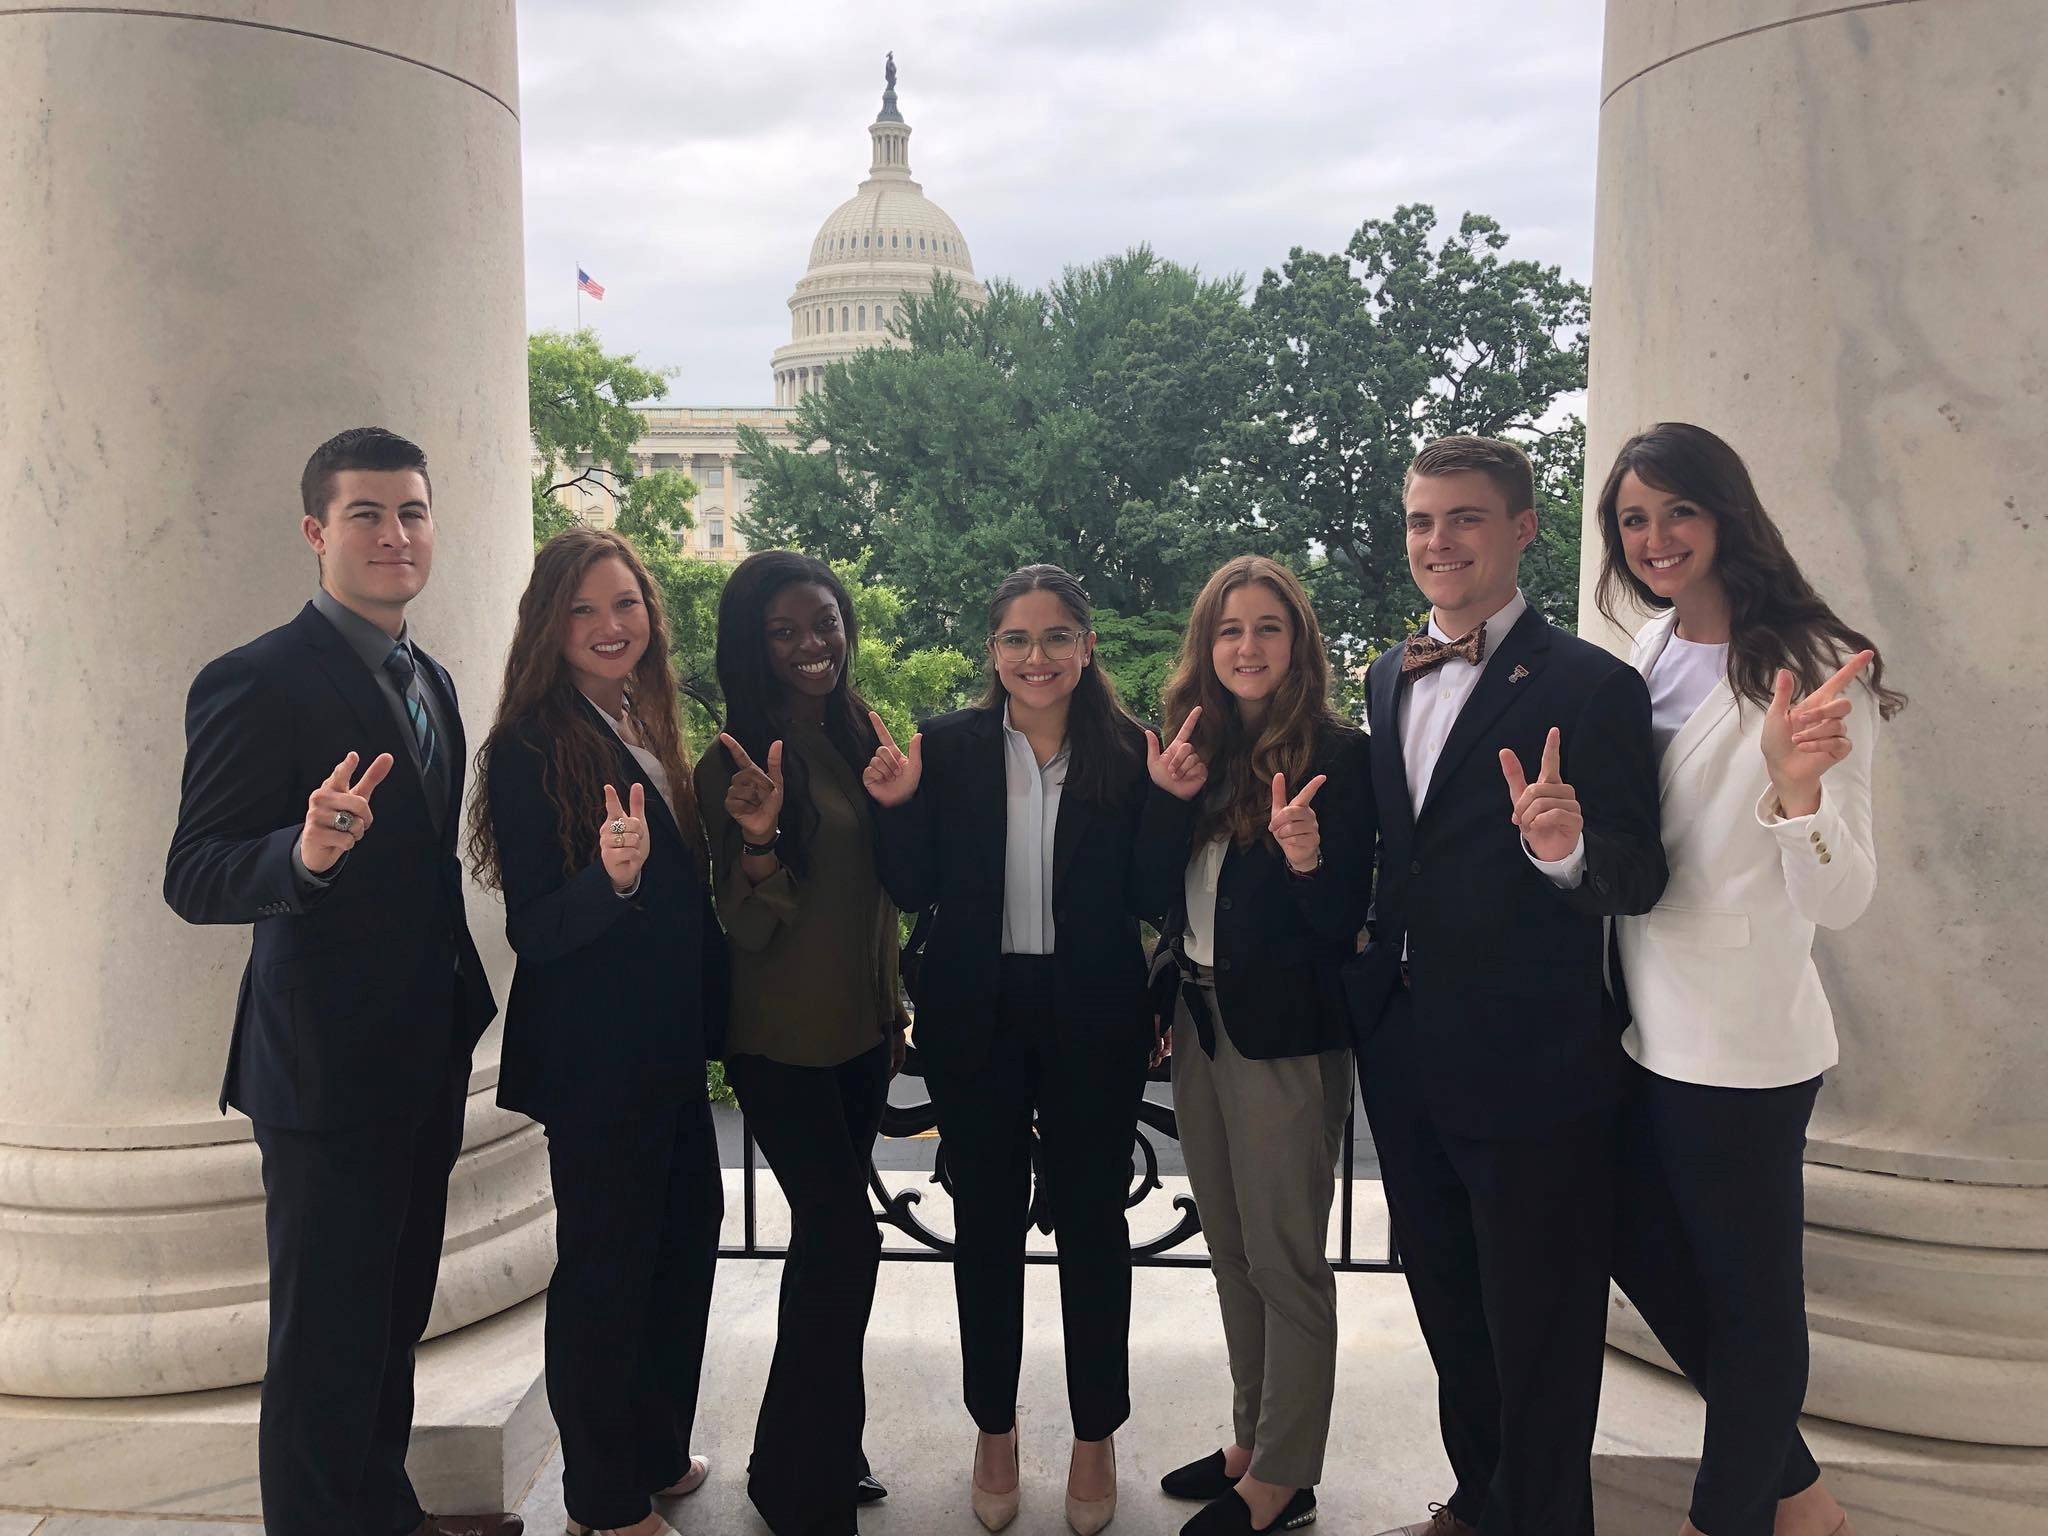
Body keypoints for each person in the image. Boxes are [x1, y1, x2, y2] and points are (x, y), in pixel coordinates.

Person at [163, 428, 519, 1536]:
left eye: (411, 512)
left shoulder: (437, 681)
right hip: (321, 1072)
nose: (393, 534)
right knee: (322, 1346)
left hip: (422, 1054)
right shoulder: (254, 680)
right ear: (317, 533)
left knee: (389, 1320)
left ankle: (385, 1512)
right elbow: (195, 874)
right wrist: (303, 856)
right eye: (366, 514)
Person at [1345, 435, 1668, 1536]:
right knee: (1450, 1311)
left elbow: (1639, 871)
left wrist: (1563, 851)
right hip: (1405, 1050)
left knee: (1539, 1328)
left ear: (1523, 528)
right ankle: (1477, 1505)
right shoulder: (1388, 674)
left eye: (1464, 518)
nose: (1437, 541)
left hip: (1534, 1063)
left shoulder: (1591, 684)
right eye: (1421, 520)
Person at [1596, 423, 1903, 1536]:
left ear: (1725, 514)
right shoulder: (1638, 652)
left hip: (1740, 1040)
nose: (1654, 538)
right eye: (1632, 518)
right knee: (1639, 1251)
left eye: (1676, 510)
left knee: (1751, 1304)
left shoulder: (1816, 666)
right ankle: (1799, 1492)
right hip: (1631, 1022)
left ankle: (1726, 1515)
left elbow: (1841, 898)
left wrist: (1796, 799)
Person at [862, 563, 1160, 1536]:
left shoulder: (1127, 751)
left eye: (1057, 637)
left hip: (1091, 1017)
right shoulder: (944, 750)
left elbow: (1153, 892)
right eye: (1016, 640)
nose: (1036, 657)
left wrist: (1173, 801)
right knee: (982, 1228)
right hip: (974, 1015)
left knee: (1093, 1230)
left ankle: (1093, 1434)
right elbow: (910, 888)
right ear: (991, 652)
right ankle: (993, 1428)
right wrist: (896, 805)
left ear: (1087, 648)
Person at [468, 529, 726, 1536]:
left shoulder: (643, 719)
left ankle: (654, 1452)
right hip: (595, 1060)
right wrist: (610, 881)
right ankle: (600, 1501)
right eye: (582, 610)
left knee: (682, 1245)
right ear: (550, 626)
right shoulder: (532, 742)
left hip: (663, 1047)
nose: (609, 626)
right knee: (607, 1274)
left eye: (623, 604)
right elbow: (534, 925)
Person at [1138, 556, 1374, 1536]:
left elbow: (1339, 924)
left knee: (1283, 1260)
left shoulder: (1340, 755)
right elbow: (1154, 896)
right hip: (1196, 1023)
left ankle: (1282, 1478)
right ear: (1205, 644)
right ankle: (1250, 1440)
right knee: (1229, 1248)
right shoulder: (1191, 751)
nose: (1246, 646)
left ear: (1298, 643)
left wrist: (1309, 858)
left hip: (1283, 1040)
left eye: (1267, 627)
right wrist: (1161, 801)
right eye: (1228, 628)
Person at [692, 551, 902, 1536]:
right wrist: (764, 840)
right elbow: (746, 924)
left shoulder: (859, 731)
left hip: (863, 1031)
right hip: (779, 1043)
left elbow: (879, 886)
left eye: (824, 621)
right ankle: (792, 1476)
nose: (813, 644)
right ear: (754, 647)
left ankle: (823, 1441)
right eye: (785, 631)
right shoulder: (735, 757)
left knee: (828, 1247)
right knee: (845, 1239)